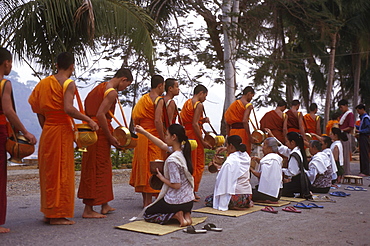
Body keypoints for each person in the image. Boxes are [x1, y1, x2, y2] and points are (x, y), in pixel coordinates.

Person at [29, 52, 99, 225]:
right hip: (61, 131)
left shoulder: (43, 83)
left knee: (49, 173)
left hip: (48, 131)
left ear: (56, 65)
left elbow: (38, 110)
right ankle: (57, 215)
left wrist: (47, 127)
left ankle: (49, 211)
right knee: (61, 172)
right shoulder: (68, 83)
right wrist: (88, 119)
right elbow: (68, 108)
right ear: (72, 66)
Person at [77, 68, 133, 218]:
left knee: (103, 168)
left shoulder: (100, 87)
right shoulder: (111, 92)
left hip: (90, 130)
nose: (124, 89)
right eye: (126, 86)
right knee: (95, 168)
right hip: (99, 131)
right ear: (123, 80)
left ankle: (104, 204)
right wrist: (109, 136)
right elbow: (100, 114)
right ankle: (88, 210)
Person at [0, 48, 37, 233]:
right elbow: (8, 111)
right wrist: (25, 132)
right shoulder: (4, 84)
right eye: (11, 62)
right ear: (6, 62)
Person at [135, 124, 194, 227]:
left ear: (174, 137)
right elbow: (162, 145)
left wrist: (162, 178)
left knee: (148, 213)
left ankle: (176, 215)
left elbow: (176, 185)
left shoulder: (172, 160)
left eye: (167, 135)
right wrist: (144, 132)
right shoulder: (183, 150)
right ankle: (186, 214)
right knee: (175, 206)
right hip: (189, 202)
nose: (165, 137)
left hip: (175, 202)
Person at [129, 75, 166, 207]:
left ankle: (146, 201)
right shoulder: (158, 100)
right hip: (153, 136)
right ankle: (150, 202)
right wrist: (163, 138)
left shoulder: (143, 99)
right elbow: (157, 121)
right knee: (154, 167)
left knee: (144, 167)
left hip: (142, 136)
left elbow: (136, 118)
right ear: (160, 86)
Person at [205, 135, 253, 211]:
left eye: (226, 145)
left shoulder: (231, 160)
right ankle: (245, 203)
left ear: (230, 145)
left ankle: (233, 205)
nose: (226, 148)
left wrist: (217, 166)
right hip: (247, 196)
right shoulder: (246, 156)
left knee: (208, 200)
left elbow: (224, 182)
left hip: (237, 197)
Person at [180, 84, 211, 199]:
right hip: (194, 135)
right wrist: (202, 141)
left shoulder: (187, 103)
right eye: (205, 95)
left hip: (186, 134)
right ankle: (191, 191)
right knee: (197, 164)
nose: (205, 98)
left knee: (188, 162)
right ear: (201, 93)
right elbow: (194, 124)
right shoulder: (198, 105)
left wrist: (202, 120)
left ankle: (188, 191)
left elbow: (189, 120)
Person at [268, 130, 310, 198]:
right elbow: (282, 148)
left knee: (277, 190)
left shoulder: (294, 154)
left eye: (287, 141)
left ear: (292, 142)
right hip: (300, 181)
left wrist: (279, 169)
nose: (286, 143)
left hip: (298, 183)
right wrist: (272, 136)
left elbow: (292, 172)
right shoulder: (297, 150)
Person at [250, 137, 283, 203]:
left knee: (248, 193)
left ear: (270, 148)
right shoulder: (276, 158)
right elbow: (267, 168)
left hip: (268, 193)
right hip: (278, 192)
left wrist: (251, 169)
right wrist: (257, 160)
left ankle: (266, 199)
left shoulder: (269, 159)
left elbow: (261, 175)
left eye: (264, 145)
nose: (262, 147)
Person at [224, 86, 255, 153]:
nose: (251, 99)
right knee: (242, 154)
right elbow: (244, 121)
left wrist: (228, 137)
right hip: (242, 133)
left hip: (232, 132)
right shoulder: (248, 105)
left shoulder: (233, 105)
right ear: (249, 94)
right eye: (251, 96)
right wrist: (250, 137)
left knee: (232, 153)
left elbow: (227, 122)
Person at [337, 99, 354, 175]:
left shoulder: (350, 114)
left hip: (345, 135)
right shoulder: (342, 115)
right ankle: (341, 172)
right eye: (340, 107)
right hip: (340, 135)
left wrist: (341, 130)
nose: (341, 109)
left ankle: (346, 172)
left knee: (345, 154)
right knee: (341, 153)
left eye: (341, 107)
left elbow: (351, 126)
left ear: (346, 106)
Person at [355, 104, 370, 177]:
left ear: (362, 109)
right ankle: (363, 170)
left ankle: (366, 171)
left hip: (365, 136)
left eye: (358, 111)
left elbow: (368, 129)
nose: (358, 112)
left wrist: (359, 131)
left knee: (365, 154)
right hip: (361, 136)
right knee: (362, 154)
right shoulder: (362, 118)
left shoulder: (366, 118)